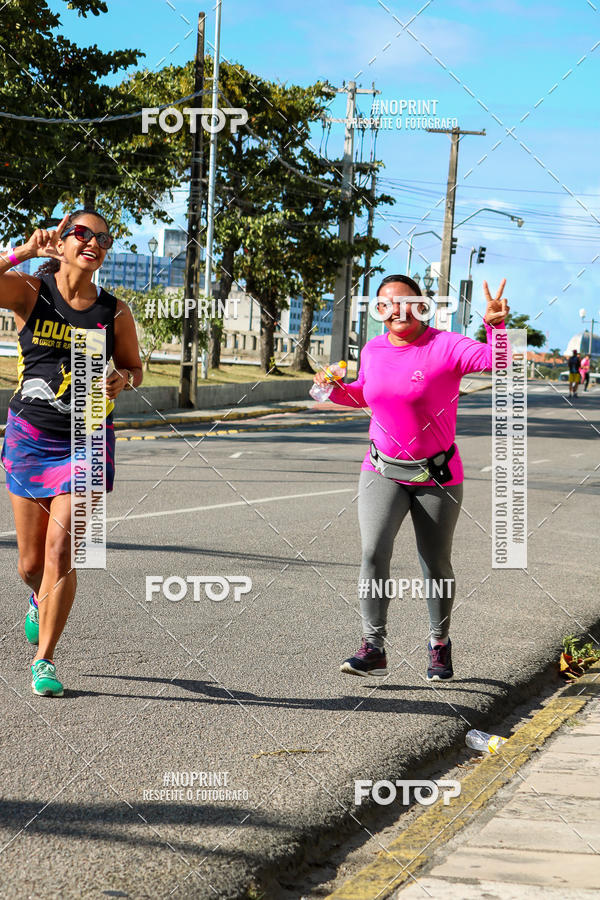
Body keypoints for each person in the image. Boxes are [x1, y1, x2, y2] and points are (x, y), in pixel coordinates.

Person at [313, 275, 509, 681]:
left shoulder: (447, 345)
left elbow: (499, 362)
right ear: (379, 311)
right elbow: (365, 394)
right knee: (373, 553)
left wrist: (497, 327)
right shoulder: (372, 349)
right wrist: (332, 390)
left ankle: (439, 644)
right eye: (387, 304)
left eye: (406, 302)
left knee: (434, 562)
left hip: (436, 474)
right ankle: (373, 647)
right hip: (381, 469)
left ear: (422, 306)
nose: (397, 311)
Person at [0, 209, 143, 697]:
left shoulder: (114, 310)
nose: (94, 242)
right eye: (81, 233)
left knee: (64, 550)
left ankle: (45, 660)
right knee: (30, 565)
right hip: (29, 438)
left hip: (87, 436)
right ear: (59, 242)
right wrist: (22, 252)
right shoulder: (30, 291)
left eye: (103, 238)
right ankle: (39, 598)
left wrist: (122, 379)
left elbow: (134, 368)